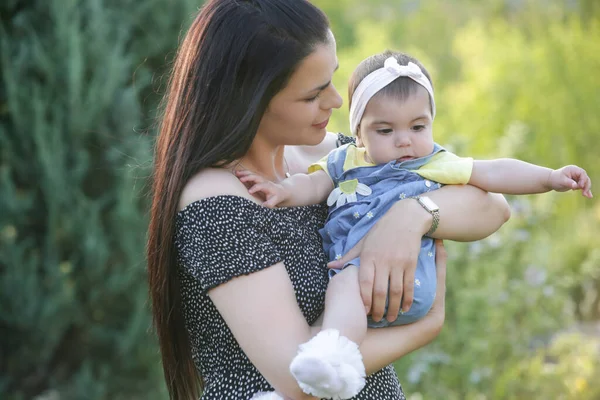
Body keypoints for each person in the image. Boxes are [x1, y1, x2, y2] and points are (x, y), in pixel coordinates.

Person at [146, 1, 511, 399]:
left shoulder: (336, 158)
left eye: (333, 80)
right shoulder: (214, 204)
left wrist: (412, 215)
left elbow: (492, 206)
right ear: (250, 100)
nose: (337, 103)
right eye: (313, 96)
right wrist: (424, 328)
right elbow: (297, 378)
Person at [236, 50, 593, 399]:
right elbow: (312, 185)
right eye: (385, 130)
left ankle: (332, 358)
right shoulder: (345, 160)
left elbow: (493, 171)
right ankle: (308, 375)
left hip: (405, 279)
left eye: (418, 126)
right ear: (358, 133)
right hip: (365, 278)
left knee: (342, 288)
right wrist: (282, 191)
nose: (404, 140)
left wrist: (550, 177)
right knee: (341, 291)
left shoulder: (431, 162)